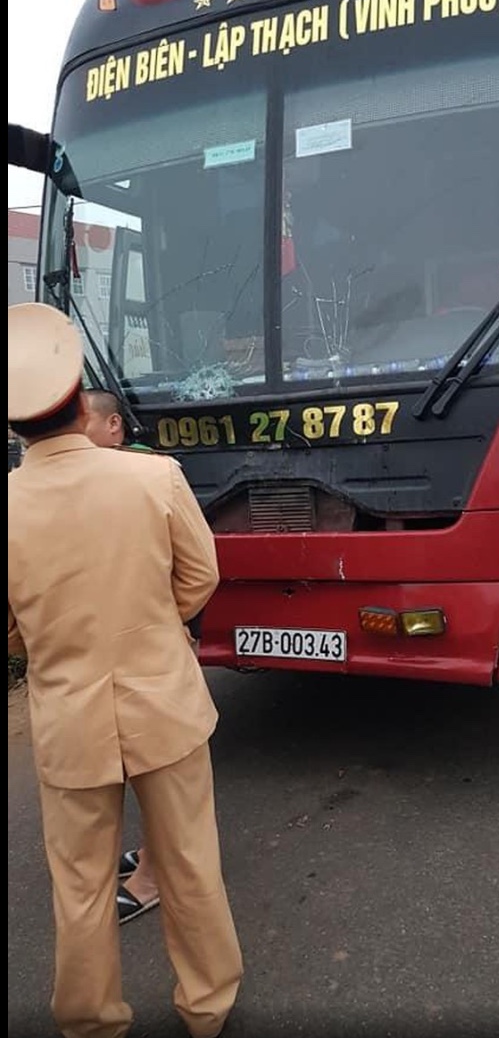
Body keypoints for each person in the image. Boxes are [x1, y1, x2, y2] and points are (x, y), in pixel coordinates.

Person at [8, 302, 243, 1038]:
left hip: (68, 721)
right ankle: (207, 1008)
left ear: (14, 428)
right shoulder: (155, 478)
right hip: (165, 703)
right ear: (82, 403)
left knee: (79, 886)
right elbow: (200, 576)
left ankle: (91, 1022)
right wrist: (154, 625)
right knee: (190, 863)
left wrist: (42, 641)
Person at [84, 388, 172, 924]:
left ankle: (155, 875)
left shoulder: (151, 473)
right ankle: (149, 854)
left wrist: (171, 629)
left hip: (147, 656)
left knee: (153, 771)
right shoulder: (83, 482)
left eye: (85, 425)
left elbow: (194, 571)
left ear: (114, 426)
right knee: (130, 767)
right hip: (112, 660)